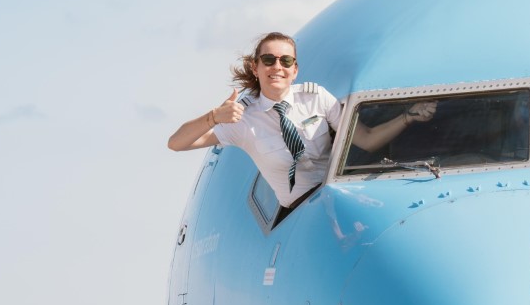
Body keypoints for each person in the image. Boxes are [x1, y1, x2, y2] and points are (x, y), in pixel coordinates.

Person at [167, 31, 436, 210]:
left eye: (286, 61)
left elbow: (366, 140)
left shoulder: (315, 97)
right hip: (301, 212)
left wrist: (408, 116)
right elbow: (176, 144)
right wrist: (213, 117)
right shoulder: (243, 119)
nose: (277, 67)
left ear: (295, 70)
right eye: (269, 59)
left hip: (337, 198)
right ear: (256, 67)